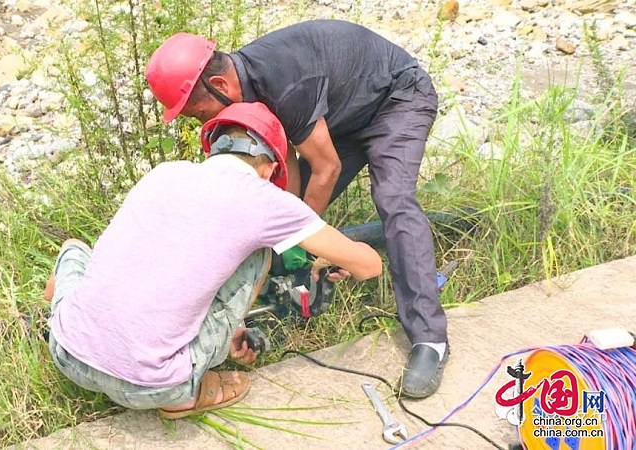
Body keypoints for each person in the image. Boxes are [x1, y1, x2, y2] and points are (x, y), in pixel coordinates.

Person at [145, 19, 449, 399]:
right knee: (291, 218)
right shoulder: (248, 89)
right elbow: (285, 164)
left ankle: (430, 340)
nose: (205, 122)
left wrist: (297, 243)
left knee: (394, 199)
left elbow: (327, 168)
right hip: (346, 112)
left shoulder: (283, 83)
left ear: (219, 86)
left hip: (396, 98)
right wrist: (285, 237)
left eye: (199, 112)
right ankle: (288, 283)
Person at [42, 101, 383, 419]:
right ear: (269, 170)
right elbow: (369, 266)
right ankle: (186, 396)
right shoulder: (264, 200)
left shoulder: (165, 173)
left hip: (67, 355)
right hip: (153, 385)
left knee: (75, 249)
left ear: (214, 147)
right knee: (258, 251)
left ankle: (69, 315)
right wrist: (333, 258)